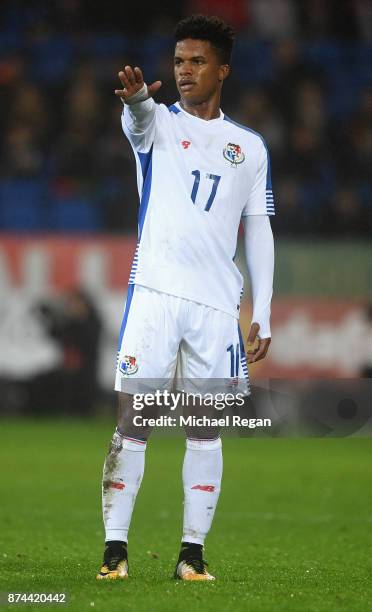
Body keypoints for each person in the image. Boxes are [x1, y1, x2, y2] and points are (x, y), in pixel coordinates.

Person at [97, 14, 275, 582]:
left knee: (206, 426)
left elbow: (260, 230)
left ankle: (191, 556)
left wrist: (264, 311)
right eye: (178, 62)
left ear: (222, 69)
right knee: (134, 419)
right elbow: (139, 118)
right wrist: (132, 102)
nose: (184, 71)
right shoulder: (156, 124)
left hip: (217, 307)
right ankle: (115, 551)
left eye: (197, 62)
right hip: (155, 293)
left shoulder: (248, 148)